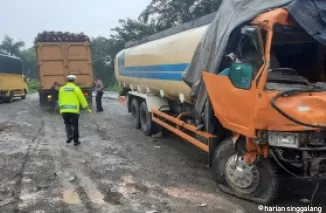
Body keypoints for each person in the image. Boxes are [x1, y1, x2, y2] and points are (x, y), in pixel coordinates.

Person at [58, 75, 91, 145]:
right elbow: (82, 99)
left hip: (64, 110)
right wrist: (87, 108)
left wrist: (60, 109)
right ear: (74, 80)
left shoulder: (61, 89)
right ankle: (76, 141)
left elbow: (60, 100)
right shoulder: (76, 89)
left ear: (67, 80)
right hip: (74, 111)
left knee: (67, 124)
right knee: (75, 125)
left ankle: (69, 135)